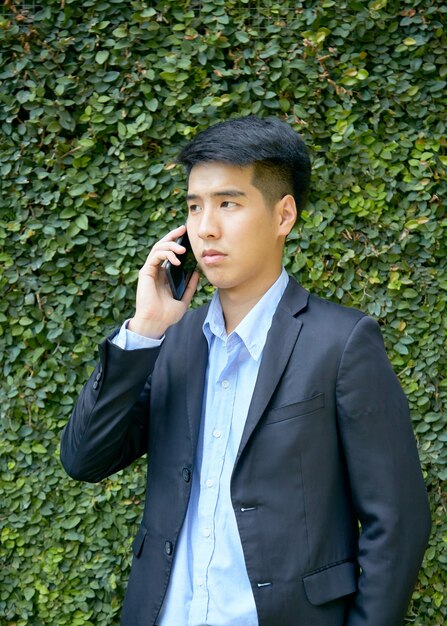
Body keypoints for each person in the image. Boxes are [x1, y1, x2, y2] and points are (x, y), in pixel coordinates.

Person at [60, 116, 431, 626]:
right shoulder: (172, 343)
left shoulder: (342, 343)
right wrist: (145, 328)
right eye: (194, 207)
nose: (205, 226)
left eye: (228, 203)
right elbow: (84, 459)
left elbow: (399, 524)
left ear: (283, 216)